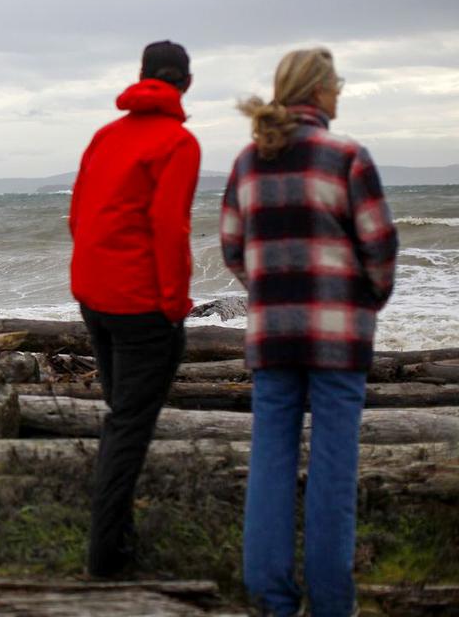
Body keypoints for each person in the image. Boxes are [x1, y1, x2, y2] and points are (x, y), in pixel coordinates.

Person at [221, 48, 397, 617]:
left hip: (273, 336)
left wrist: (272, 291)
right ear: (319, 92)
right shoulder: (345, 156)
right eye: (337, 84)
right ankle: (330, 604)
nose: (340, 93)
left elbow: (232, 247)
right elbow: (380, 248)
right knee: (333, 471)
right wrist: (365, 299)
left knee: (270, 464)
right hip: (337, 339)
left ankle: (272, 600)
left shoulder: (249, 161)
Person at [68, 40, 201, 578]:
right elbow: (171, 229)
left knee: (121, 419)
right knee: (129, 427)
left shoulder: (105, 136)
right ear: (186, 84)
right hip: (143, 308)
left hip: (94, 299)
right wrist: (174, 307)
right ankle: (107, 561)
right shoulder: (179, 142)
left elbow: (77, 216)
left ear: (140, 76)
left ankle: (117, 540)